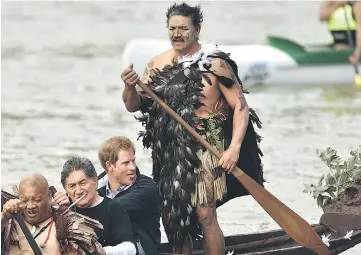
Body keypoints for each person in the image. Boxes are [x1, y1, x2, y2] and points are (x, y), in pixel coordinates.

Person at [120, 3, 264, 255]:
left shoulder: (215, 65)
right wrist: (129, 87)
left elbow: (240, 107)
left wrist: (234, 148)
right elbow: (134, 106)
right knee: (175, 219)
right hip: (168, 149)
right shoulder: (157, 64)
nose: (177, 33)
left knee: (204, 213)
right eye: (172, 28)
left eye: (183, 28)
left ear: (197, 30)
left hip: (204, 146)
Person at [1, 174, 104, 255]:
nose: (30, 206)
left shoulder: (66, 226)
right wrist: (4, 217)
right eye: (25, 200)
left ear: (49, 196)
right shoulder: (10, 223)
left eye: (37, 200)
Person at [97, 136, 161, 255]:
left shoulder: (147, 188)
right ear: (110, 166)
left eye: (133, 161)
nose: (132, 167)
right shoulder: (95, 188)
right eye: (126, 163)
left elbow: (113, 208)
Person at [61, 156, 137, 255]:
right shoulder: (65, 211)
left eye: (83, 183)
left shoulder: (114, 208)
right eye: (72, 186)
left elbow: (130, 248)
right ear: (65, 189)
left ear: (95, 181)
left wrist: (102, 252)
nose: (78, 191)